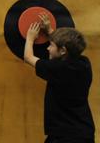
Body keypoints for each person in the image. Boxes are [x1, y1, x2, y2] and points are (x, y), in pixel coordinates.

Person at [24, 13, 95, 143]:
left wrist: (30, 38)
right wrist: (50, 31)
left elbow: (28, 57)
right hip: (84, 133)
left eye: (51, 45)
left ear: (63, 51)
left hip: (65, 136)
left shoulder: (58, 69)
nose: (48, 48)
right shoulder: (84, 63)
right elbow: (66, 46)